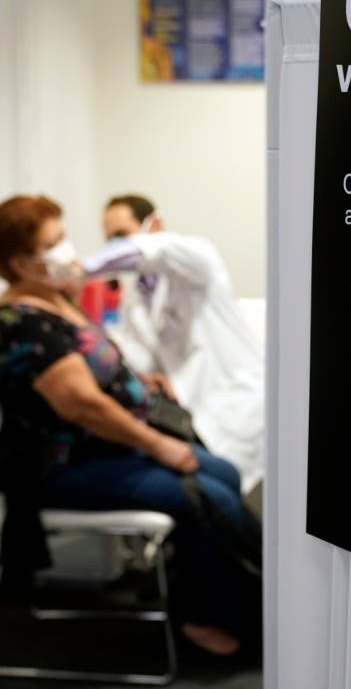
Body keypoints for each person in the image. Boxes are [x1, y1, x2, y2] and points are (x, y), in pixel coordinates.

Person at [0, 194, 258, 657]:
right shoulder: (22, 326)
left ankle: (243, 597)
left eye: (63, 235)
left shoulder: (54, 300)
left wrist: (137, 381)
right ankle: (208, 619)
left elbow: (96, 366)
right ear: (20, 263)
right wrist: (158, 446)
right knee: (201, 496)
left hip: (109, 447)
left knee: (224, 474)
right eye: (53, 243)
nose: (67, 249)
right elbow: (84, 407)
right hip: (65, 466)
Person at [85, 195, 264, 507]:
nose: (115, 246)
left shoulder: (196, 258)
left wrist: (82, 269)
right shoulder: (135, 293)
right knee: (201, 494)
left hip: (238, 401)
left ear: (153, 224)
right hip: (189, 410)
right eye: (109, 238)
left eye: (121, 235)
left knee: (221, 495)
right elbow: (139, 356)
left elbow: (157, 250)